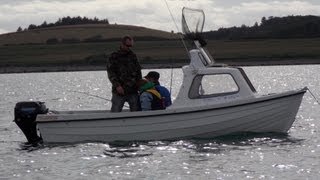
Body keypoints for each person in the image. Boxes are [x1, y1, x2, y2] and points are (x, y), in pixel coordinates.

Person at [106, 35, 142, 112]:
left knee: (136, 112)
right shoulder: (114, 56)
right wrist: (117, 85)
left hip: (133, 90)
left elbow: (138, 72)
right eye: (127, 45)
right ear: (122, 44)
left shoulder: (133, 56)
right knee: (115, 112)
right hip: (119, 91)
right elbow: (111, 73)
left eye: (130, 46)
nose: (129, 47)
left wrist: (140, 85)